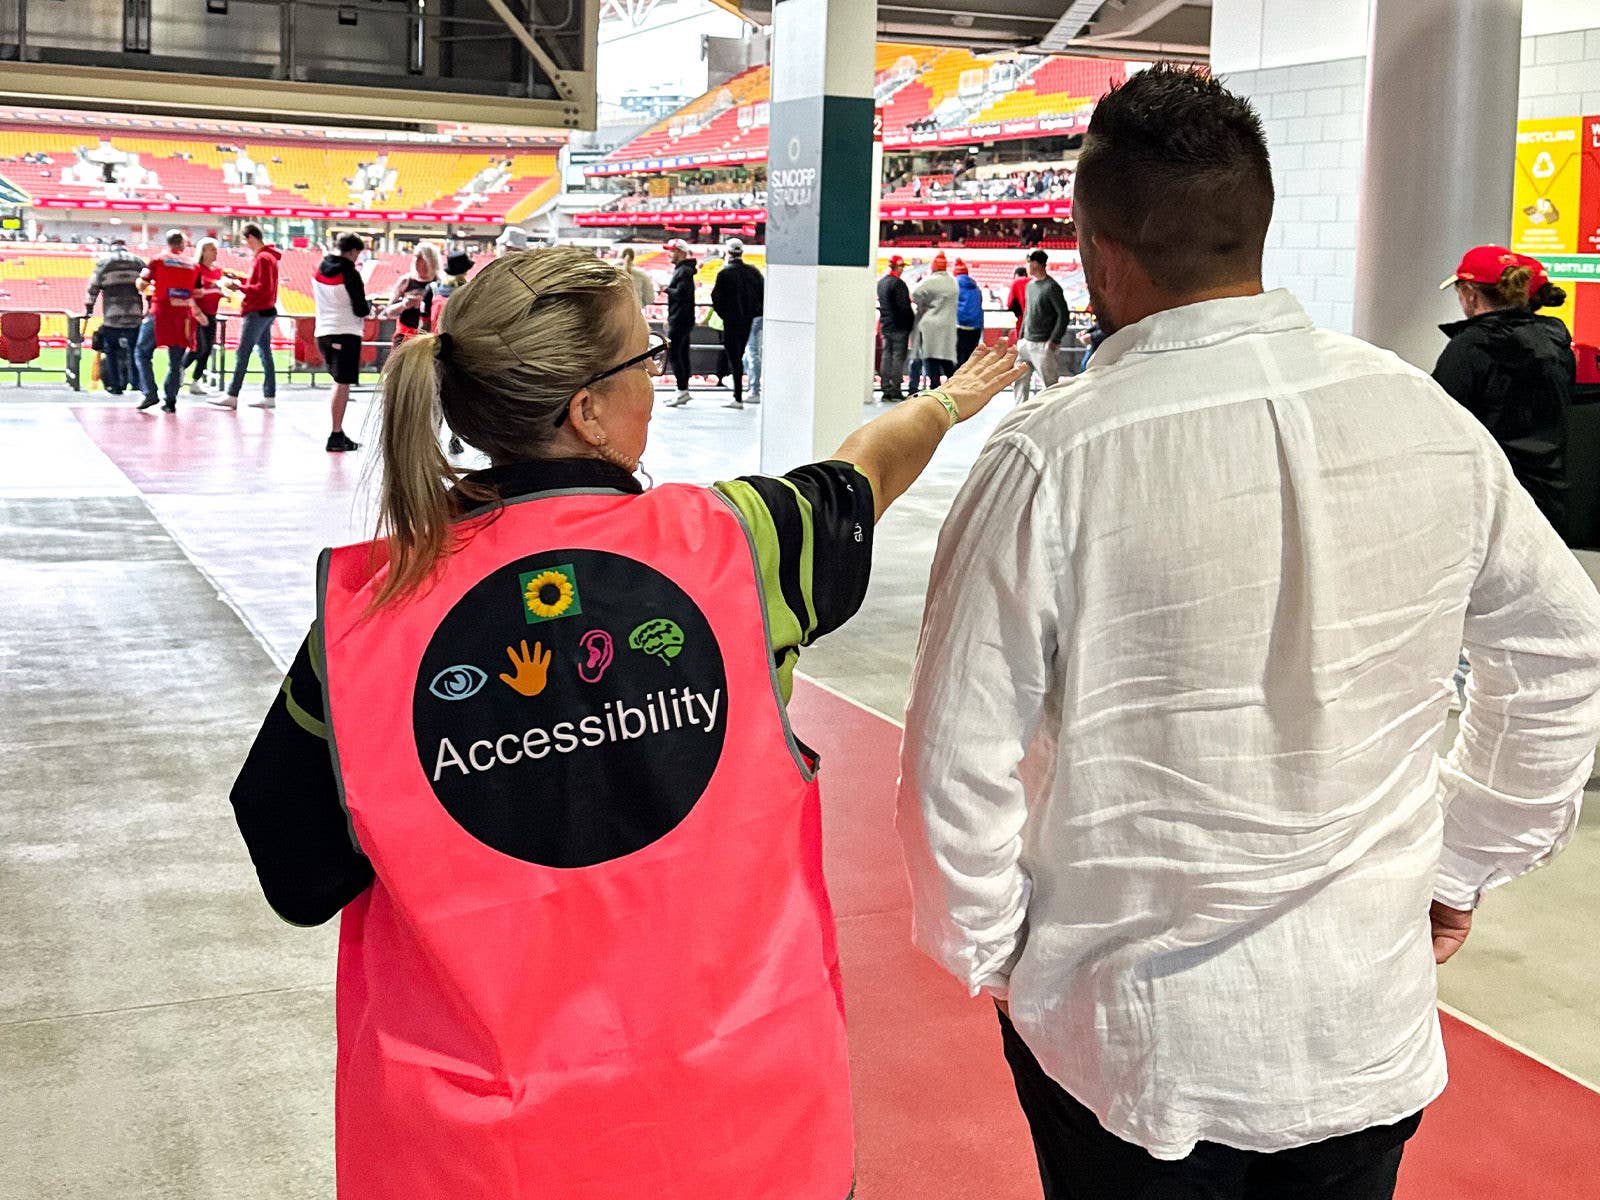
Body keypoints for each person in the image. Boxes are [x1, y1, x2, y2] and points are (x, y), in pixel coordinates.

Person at [897, 64, 1600, 1200]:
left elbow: (953, 755)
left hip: (1130, 1043)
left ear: (1099, 251)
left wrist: (993, 949)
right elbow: (1564, 649)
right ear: (1255, 231)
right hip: (1363, 1023)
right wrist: (1464, 857)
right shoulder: (1420, 416)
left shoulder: (1050, 457)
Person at [228, 245, 1025, 1198]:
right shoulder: (743, 544)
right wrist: (946, 406)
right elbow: (866, 470)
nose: (655, 378)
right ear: (587, 410)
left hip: (475, 1157)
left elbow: (298, 870)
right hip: (738, 1131)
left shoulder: (368, 612)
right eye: (643, 360)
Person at [1434, 245, 1574, 534]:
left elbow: (1440, 422)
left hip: (1490, 501)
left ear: (1470, 293)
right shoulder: (1554, 342)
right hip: (1548, 497)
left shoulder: (1469, 348)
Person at [313, 232, 371, 453]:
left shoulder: (321, 268)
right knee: (342, 383)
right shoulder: (350, 273)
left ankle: (338, 432)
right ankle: (336, 434)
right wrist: (369, 305)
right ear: (353, 251)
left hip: (323, 331)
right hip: (345, 332)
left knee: (339, 382)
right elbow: (360, 309)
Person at [135, 229, 204, 413]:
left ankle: (150, 393)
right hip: (183, 317)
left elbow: (142, 283)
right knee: (176, 361)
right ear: (182, 244)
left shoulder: (158, 260)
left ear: (168, 243)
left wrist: (153, 287)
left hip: (161, 313)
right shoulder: (193, 265)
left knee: (142, 352)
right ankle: (171, 401)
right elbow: (198, 292)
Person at [216, 223, 281, 410]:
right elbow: (261, 283)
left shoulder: (262, 258)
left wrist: (239, 287)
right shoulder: (268, 257)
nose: (245, 244)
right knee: (265, 354)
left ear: (251, 237)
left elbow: (261, 288)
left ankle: (232, 394)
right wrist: (240, 279)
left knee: (243, 353)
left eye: (245, 240)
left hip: (257, 311)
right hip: (266, 310)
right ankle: (269, 395)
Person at [83, 235, 144, 396]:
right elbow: (149, 284)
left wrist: (89, 308)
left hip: (112, 316)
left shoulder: (104, 263)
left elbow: (93, 287)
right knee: (135, 351)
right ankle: (136, 384)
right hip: (134, 315)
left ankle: (115, 386)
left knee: (111, 351)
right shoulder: (138, 262)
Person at [710, 237, 763, 409]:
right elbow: (762, 294)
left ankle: (738, 397)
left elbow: (716, 299)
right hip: (748, 321)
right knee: (743, 355)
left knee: (734, 358)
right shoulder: (753, 272)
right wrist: (753, 313)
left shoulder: (724, 273)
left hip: (731, 322)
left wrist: (725, 315)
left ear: (728, 253)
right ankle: (742, 394)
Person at [1013, 248, 1069, 404]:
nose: (1027, 266)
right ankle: (1019, 412)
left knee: (1050, 386)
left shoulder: (1052, 287)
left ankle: (1053, 412)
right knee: (1019, 381)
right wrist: (1021, 336)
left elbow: (1063, 314)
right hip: (1026, 342)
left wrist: (1054, 340)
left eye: (1030, 263)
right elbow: (1027, 311)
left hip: (1043, 345)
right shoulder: (1030, 286)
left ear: (1038, 264)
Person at [184, 237, 225, 396]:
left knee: (207, 350)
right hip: (196, 314)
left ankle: (196, 381)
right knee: (198, 348)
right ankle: (179, 370)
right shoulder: (196, 269)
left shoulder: (217, 271)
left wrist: (222, 293)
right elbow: (191, 292)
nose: (215, 253)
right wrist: (197, 311)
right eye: (212, 249)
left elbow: (217, 290)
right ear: (203, 251)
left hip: (212, 314)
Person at [911, 252, 958, 390]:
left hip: (931, 325)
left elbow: (915, 293)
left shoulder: (931, 280)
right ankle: (955, 387)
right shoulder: (953, 281)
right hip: (948, 326)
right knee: (946, 360)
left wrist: (923, 305)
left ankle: (935, 388)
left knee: (930, 358)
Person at [384, 241, 442, 346]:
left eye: (423, 261)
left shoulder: (440, 283)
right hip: (405, 334)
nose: (419, 265)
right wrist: (404, 304)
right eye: (416, 259)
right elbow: (388, 311)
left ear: (432, 261)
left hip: (430, 335)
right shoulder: (405, 281)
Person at [662, 238, 697, 407]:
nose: (669, 254)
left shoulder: (683, 271)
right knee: (682, 354)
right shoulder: (684, 270)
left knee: (675, 354)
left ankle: (682, 390)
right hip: (683, 319)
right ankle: (682, 391)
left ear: (681, 252)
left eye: (672, 250)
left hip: (680, 320)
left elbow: (682, 294)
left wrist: (665, 289)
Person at [877, 254, 915, 402]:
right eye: (901, 266)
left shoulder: (881, 283)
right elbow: (904, 308)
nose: (902, 269)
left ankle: (885, 387)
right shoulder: (899, 284)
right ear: (896, 266)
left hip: (886, 325)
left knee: (886, 356)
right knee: (898, 357)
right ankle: (895, 389)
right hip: (899, 326)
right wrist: (910, 323)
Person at [953, 258, 984, 367]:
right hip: (975, 327)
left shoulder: (954, 285)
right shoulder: (976, 287)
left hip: (959, 326)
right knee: (969, 359)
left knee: (957, 358)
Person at [1006, 265, 1028, 329]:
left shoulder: (1016, 282)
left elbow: (1009, 303)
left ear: (1016, 275)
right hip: (1034, 318)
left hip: (1021, 317)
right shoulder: (1034, 281)